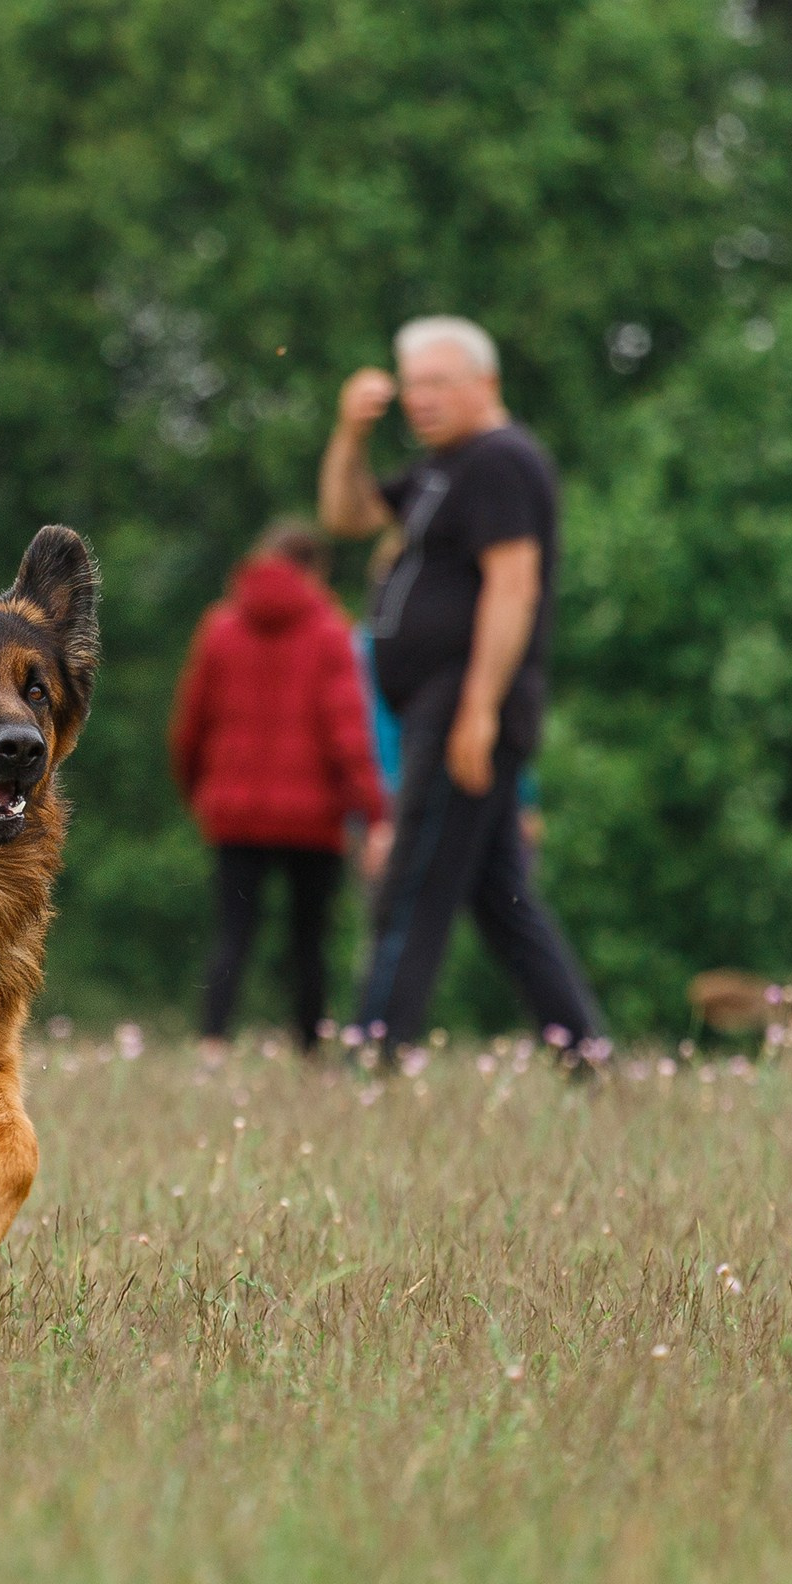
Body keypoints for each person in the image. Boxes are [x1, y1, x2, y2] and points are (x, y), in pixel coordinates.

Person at [317, 316, 604, 1053]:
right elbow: (347, 515)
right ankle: (584, 1047)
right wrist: (351, 433)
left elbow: (515, 587)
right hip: (435, 704)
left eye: (439, 383)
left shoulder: (501, 461)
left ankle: (373, 1051)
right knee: (503, 899)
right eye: (412, 385)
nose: (421, 399)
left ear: (487, 384)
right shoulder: (443, 465)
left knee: (412, 885)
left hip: (461, 704)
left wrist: (478, 708)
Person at [170, 523, 391, 1060]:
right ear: (314, 568)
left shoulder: (219, 627)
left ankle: (212, 1041)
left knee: (233, 931)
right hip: (312, 820)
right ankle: (310, 1047)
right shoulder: (330, 631)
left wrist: (200, 791)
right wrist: (375, 809)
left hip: (235, 813)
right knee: (308, 939)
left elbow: (188, 726)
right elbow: (348, 734)